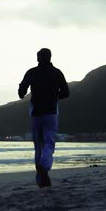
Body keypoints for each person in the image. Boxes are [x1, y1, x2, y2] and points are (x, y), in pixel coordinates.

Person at [18, 48, 69, 188]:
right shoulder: (57, 72)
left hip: (36, 112)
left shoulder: (32, 72)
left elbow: (22, 91)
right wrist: (54, 96)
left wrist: (22, 93)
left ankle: (40, 179)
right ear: (50, 57)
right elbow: (66, 92)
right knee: (49, 142)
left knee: (38, 145)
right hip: (51, 112)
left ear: (38, 58)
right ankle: (44, 165)